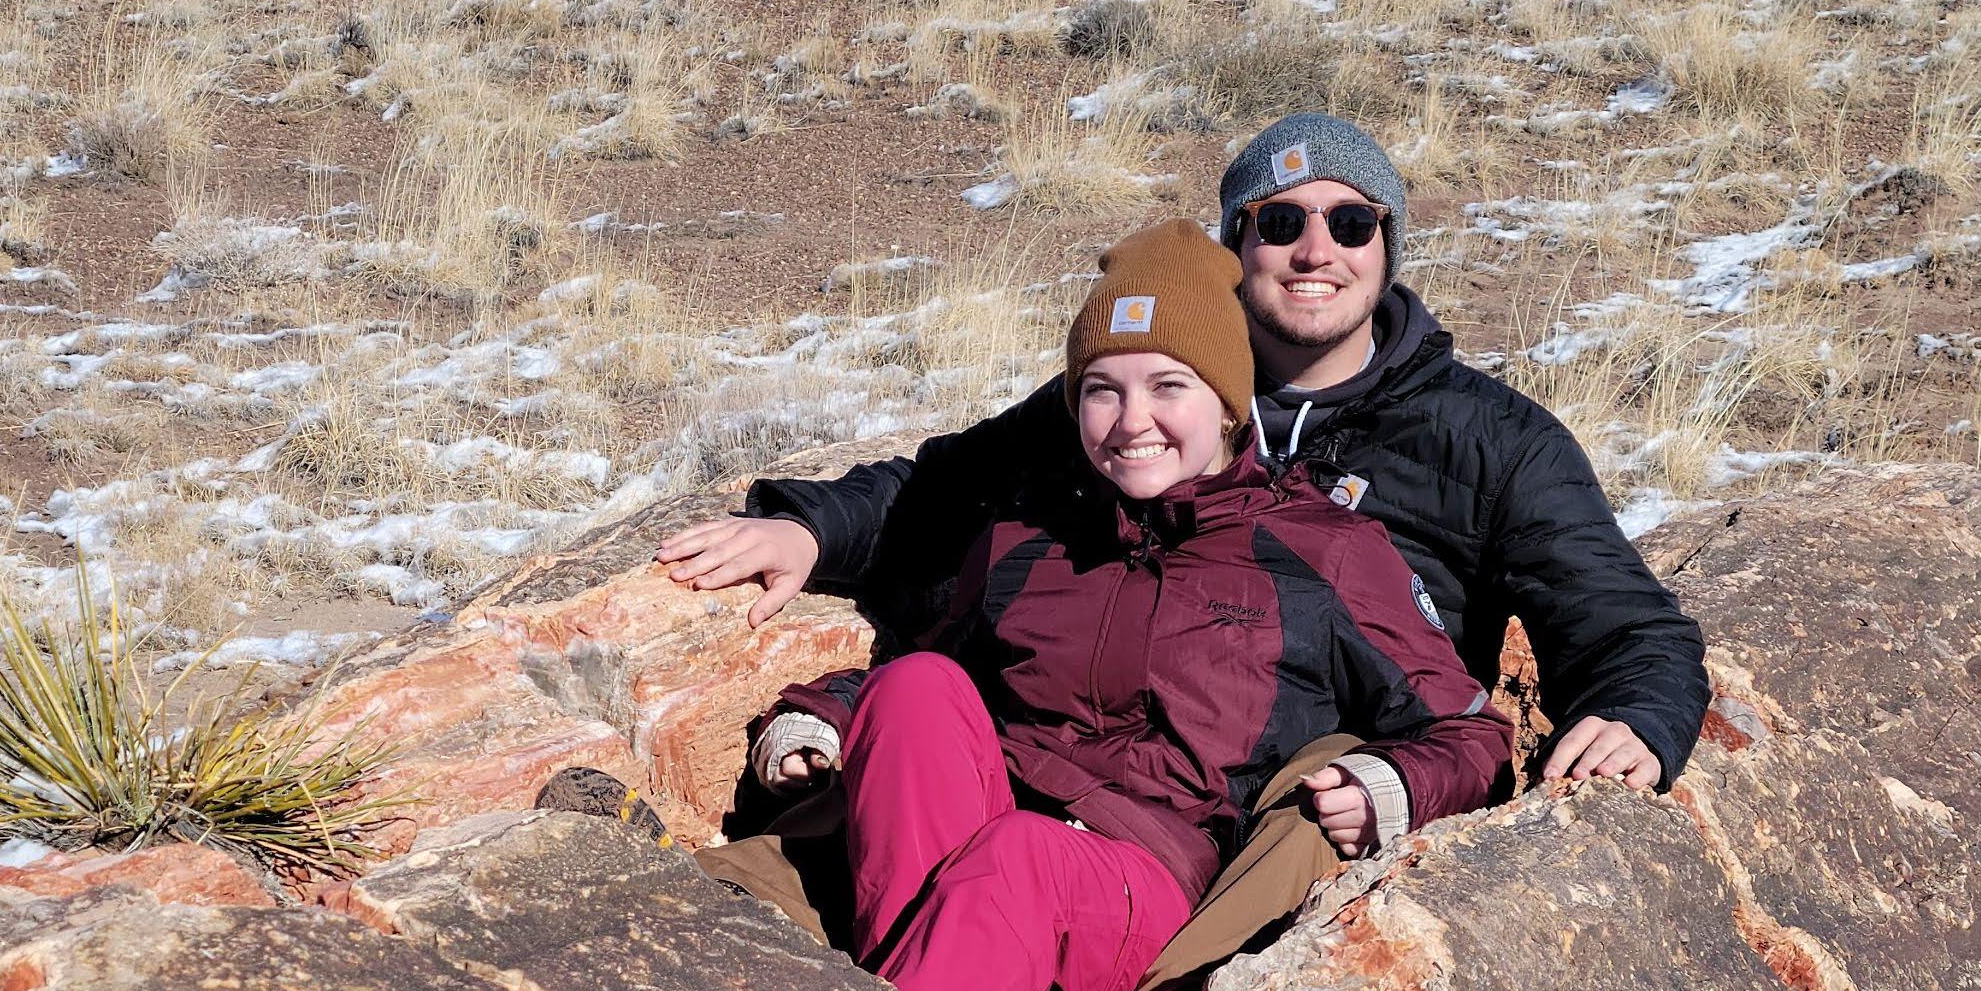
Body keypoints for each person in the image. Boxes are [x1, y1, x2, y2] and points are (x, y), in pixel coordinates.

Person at [660, 108, 1708, 790]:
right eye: (1278, 220)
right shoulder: (1159, 389)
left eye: (1352, 224)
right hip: (1124, 766)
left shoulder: (1490, 437)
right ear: (1234, 246)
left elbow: (1620, 619)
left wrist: (1637, 718)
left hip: (1329, 786)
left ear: (1389, 248)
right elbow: (952, 485)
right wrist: (807, 530)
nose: (1314, 249)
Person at [746, 220, 1511, 991]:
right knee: (918, 690)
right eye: (1101, 391)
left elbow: (1467, 731)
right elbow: (913, 673)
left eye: (1168, 386)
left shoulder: (1321, 552)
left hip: (1139, 880)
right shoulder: (1025, 539)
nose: (1131, 421)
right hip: (979, 833)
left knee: (1020, 862)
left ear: (1228, 400)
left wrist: (1392, 784)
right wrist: (817, 717)